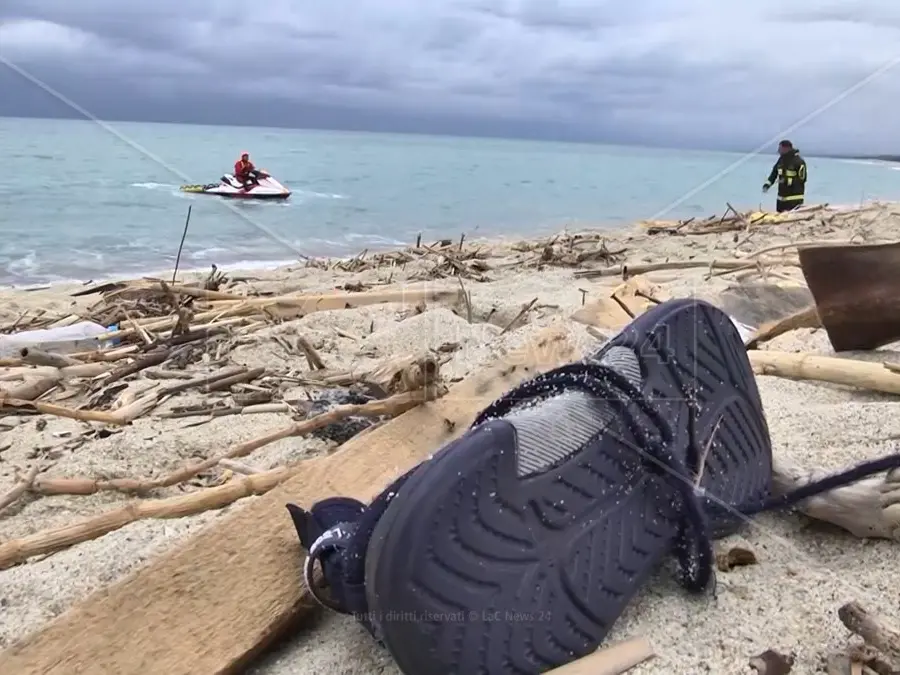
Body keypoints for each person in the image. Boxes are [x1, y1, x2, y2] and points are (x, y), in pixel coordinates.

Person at [763, 140, 807, 212]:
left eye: (780, 149)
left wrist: (787, 181)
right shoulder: (781, 160)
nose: (778, 151)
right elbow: (774, 174)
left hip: (794, 199)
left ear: (786, 148)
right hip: (781, 199)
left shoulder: (799, 161)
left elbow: (803, 179)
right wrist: (767, 185)